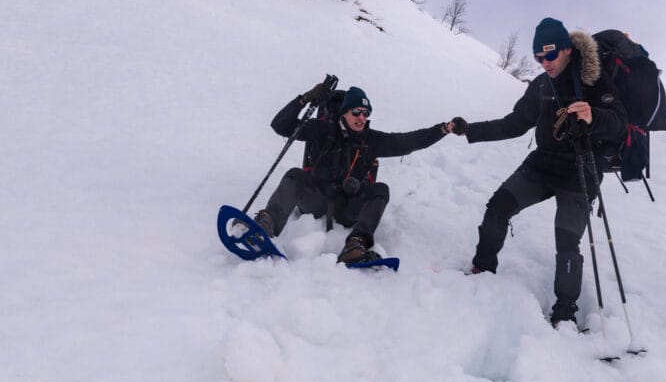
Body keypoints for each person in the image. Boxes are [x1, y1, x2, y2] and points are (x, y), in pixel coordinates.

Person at [446, 18, 627, 328]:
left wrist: (593, 115)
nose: (545, 64)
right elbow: (514, 123)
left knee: (566, 241)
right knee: (498, 207)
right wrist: (469, 131)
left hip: (581, 170)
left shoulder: (593, 80)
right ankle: (482, 270)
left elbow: (619, 122)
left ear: (568, 50)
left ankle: (565, 313)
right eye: (538, 58)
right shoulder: (541, 85)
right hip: (542, 163)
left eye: (551, 56)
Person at [254, 82, 452, 263]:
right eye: (356, 112)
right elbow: (280, 125)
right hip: (316, 201)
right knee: (295, 175)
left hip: (348, 208)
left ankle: (356, 244)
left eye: (366, 113)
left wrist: (443, 129)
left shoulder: (371, 140)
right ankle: (265, 224)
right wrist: (304, 99)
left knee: (380, 189)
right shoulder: (323, 130)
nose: (361, 118)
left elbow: (409, 141)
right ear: (344, 112)